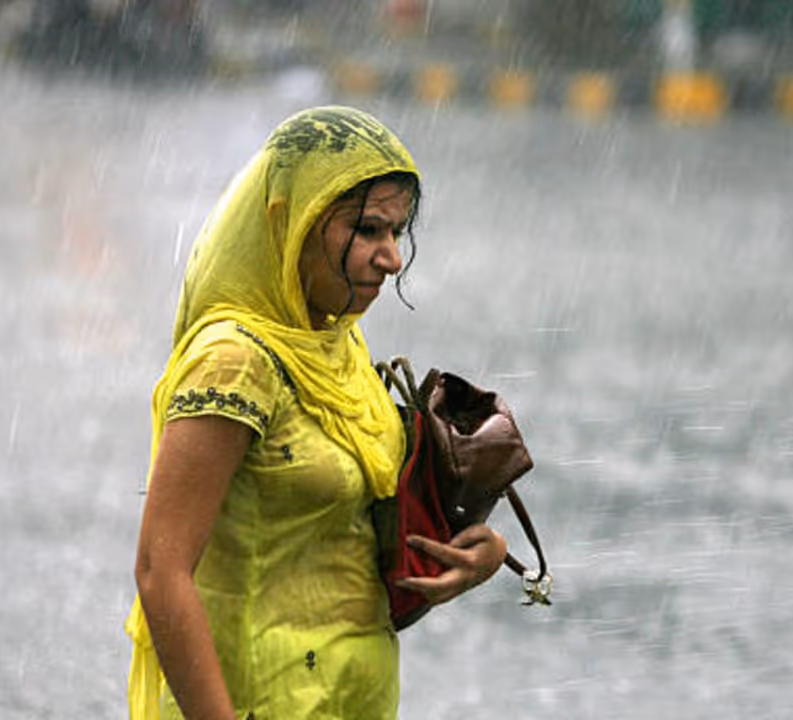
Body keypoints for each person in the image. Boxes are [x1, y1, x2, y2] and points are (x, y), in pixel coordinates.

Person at [124, 106, 508, 719]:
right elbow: (160, 570)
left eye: (397, 233)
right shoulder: (236, 363)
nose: (391, 258)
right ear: (293, 224)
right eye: (367, 231)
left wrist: (475, 554)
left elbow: (345, 538)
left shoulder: (337, 343)